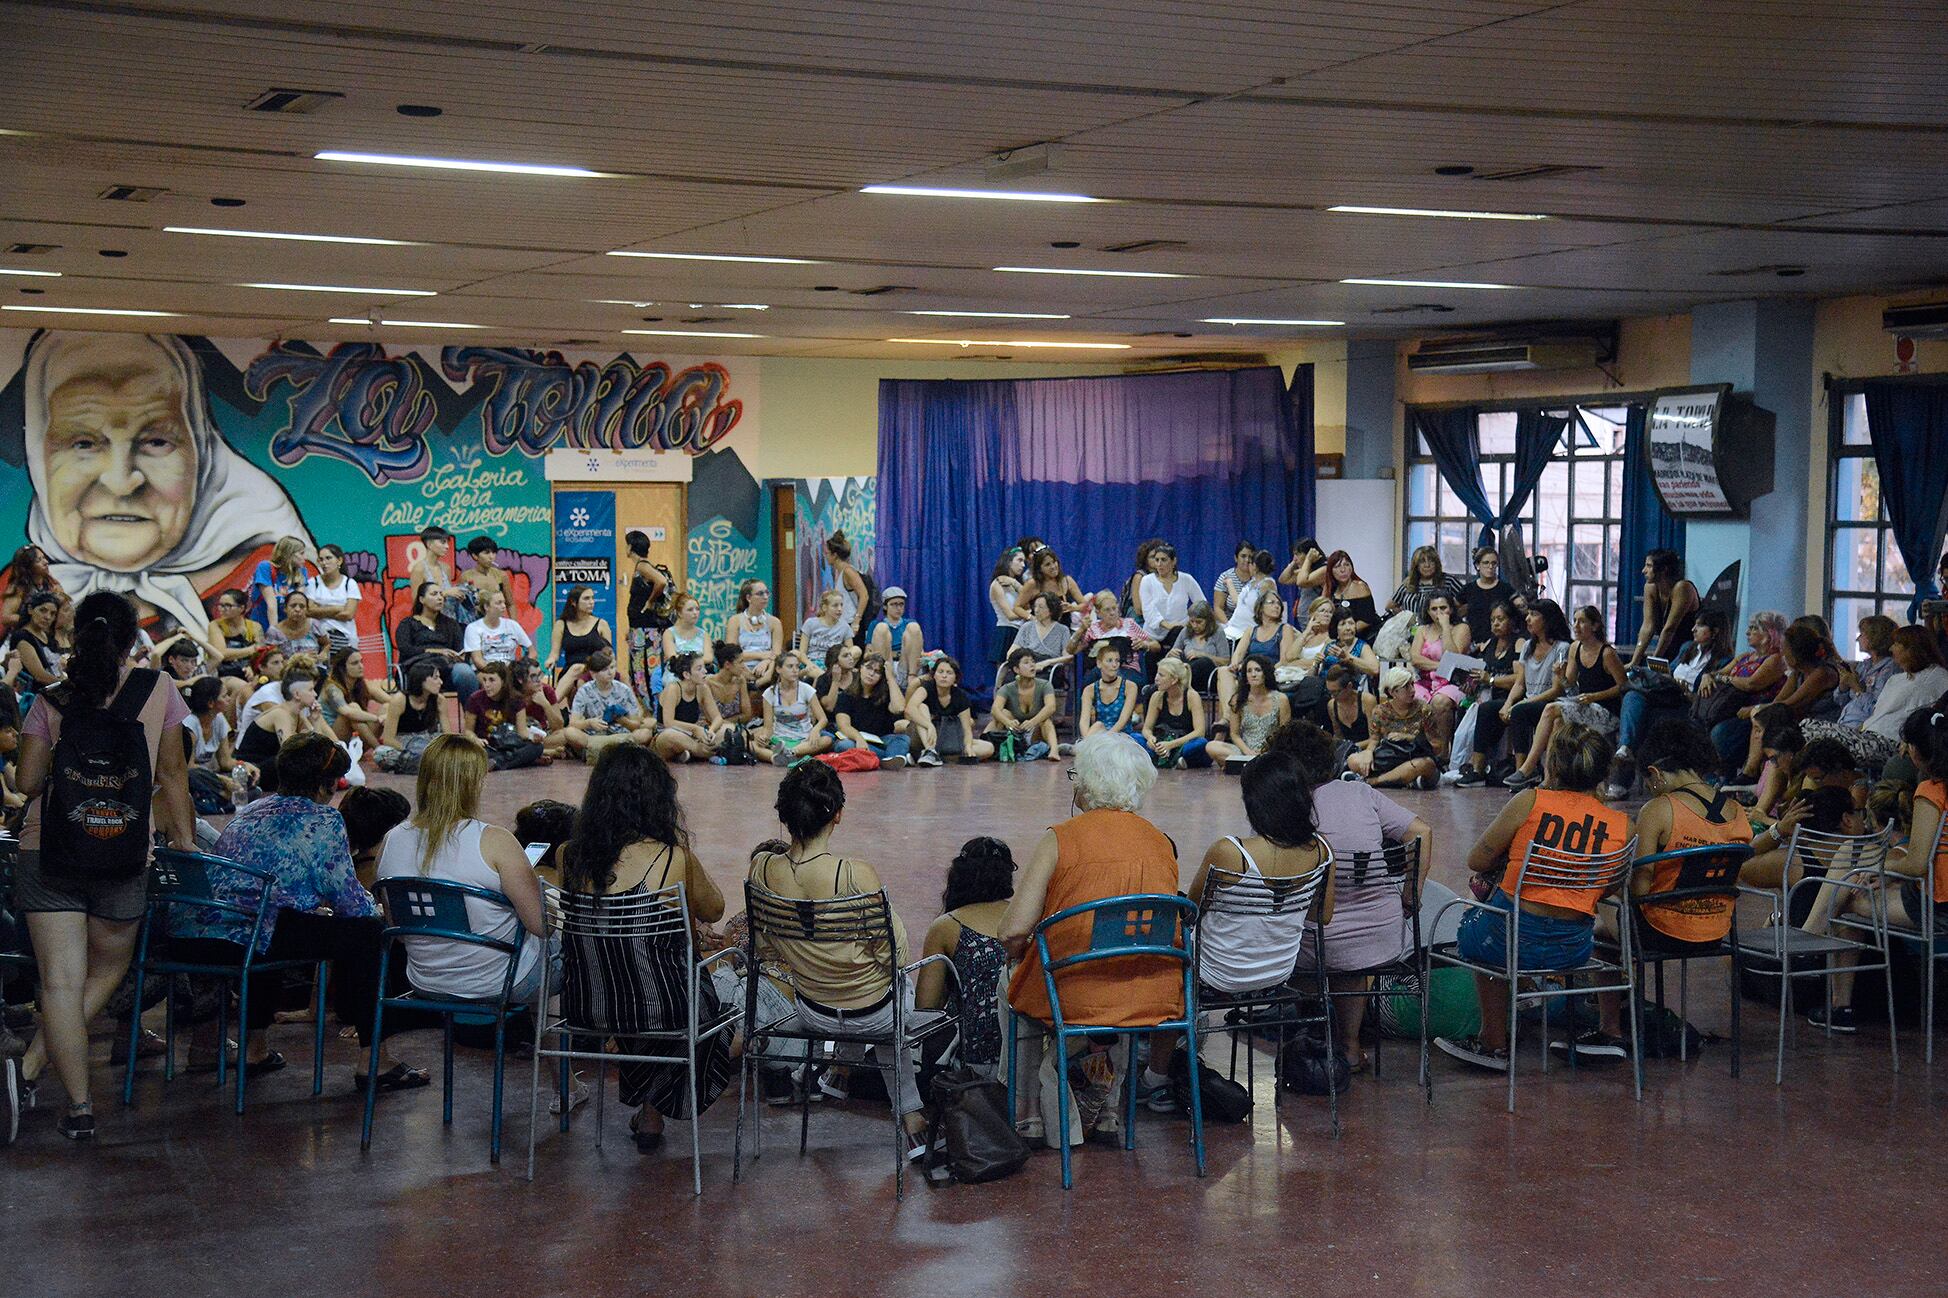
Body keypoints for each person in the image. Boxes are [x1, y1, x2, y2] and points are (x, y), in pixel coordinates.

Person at [11, 591, 196, 1140]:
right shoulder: (158, 688)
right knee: (105, 970)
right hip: (122, 849)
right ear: (132, 637)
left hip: (49, 849)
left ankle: (79, 1107)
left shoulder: (53, 696)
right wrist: (183, 840)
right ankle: (26, 1069)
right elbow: (174, 775)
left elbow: (24, 782)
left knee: (59, 983)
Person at [169, 733, 424, 1086]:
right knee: (367, 934)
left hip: (191, 932)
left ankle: (255, 1047)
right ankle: (374, 1060)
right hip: (248, 936)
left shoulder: (250, 811)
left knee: (278, 922)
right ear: (325, 785)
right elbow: (348, 900)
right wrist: (377, 908)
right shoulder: (324, 820)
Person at [19, 333, 314, 636]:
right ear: (38, 454)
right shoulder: (18, 594)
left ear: (201, 451)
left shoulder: (263, 569)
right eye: (83, 443)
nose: (121, 483)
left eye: (156, 442)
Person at [1001, 731, 1182, 1147]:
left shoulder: (1061, 838)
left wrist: (1018, 955)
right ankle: (1110, 1113)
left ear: (1087, 782)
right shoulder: (1160, 842)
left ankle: (1027, 1113)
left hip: (1076, 992)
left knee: (1012, 986)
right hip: (1150, 992)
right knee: (1113, 978)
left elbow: (1012, 929)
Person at [558, 745, 731, 1151]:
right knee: (680, 987)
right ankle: (654, 1109)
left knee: (631, 973)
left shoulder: (571, 856)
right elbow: (715, 908)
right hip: (665, 1007)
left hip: (589, 1005)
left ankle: (649, 1115)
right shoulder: (672, 857)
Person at [748, 762, 929, 1147]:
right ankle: (910, 1118)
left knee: (875, 1002)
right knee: (894, 998)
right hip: (873, 1014)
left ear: (784, 814)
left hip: (814, 1010)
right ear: (838, 815)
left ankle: (840, 1069)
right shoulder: (855, 875)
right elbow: (896, 955)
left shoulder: (762, 868)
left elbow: (764, 947)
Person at [1140, 747, 1332, 1107]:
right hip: (1277, 972)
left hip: (1219, 973)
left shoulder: (1230, 851)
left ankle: (1156, 1075)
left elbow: (1191, 910)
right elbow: (1322, 916)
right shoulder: (1321, 851)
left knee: (1167, 961)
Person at [1435, 723, 1630, 1072]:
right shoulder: (1621, 825)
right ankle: (1605, 1028)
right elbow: (1607, 886)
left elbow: (1477, 860)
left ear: (1551, 765)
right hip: (1572, 947)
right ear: (1603, 771)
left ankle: (1494, 1042)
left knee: (1484, 925)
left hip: (1507, 940)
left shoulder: (1529, 801)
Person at [1569, 719, 1753, 1058]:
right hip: (1716, 931)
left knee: (1598, 910)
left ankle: (1611, 1026)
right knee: (1608, 927)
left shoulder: (1659, 809)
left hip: (1661, 932)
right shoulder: (1736, 810)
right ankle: (1625, 1002)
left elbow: (1639, 891)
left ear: (1655, 773)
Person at [1275, 721, 1435, 1067]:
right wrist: (1411, 891)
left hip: (1315, 945)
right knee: (1351, 960)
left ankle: (1313, 1033)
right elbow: (1421, 831)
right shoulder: (1361, 793)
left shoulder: (1288, 804)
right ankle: (1349, 1045)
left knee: (1297, 938)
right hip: (1382, 937)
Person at [1797, 708, 1948, 1031]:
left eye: (1907, 745)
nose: (1903, 751)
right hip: (1931, 894)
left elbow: (1918, 863)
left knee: (1847, 900)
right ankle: (1810, 947)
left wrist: (1881, 872)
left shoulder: (1932, 791)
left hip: (1936, 908)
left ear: (1920, 751)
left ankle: (1809, 950)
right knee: (1856, 868)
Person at [375, 735, 550, 1005]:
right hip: (500, 981)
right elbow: (541, 924)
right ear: (473, 784)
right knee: (570, 948)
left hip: (426, 979)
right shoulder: (495, 841)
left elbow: (396, 927)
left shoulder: (391, 840)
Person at [915, 838, 1016, 1079]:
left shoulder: (947, 926)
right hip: (1023, 1062)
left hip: (971, 1065)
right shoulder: (1027, 921)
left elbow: (926, 1010)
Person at [1605, 608, 1733, 798]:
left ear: (1715, 632)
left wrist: (1686, 690)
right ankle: (1624, 748)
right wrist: (1666, 676)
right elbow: (1671, 670)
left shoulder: (1723, 661)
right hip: (1666, 694)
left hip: (1687, 706)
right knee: (1634, 696)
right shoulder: (1688, 648)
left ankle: (1621, 777)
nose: (1693, 629)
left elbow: (1708, 699)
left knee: (1645, 719)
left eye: (1700, 626)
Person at [1505, 604, 1627, 788]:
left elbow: (1623, 686)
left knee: (1550, 709)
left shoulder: (1607, 653)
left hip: (1607, 710)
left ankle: (1527, 768)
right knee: (1556, 722)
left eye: (1582, 622)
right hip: (1587, 704)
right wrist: (1561, 675)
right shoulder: (1575, 648)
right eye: (1575, 621)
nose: (1576, 626)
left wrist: (1595, 696)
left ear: (1594, 626)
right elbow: (1569, 684)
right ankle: (1550, 778)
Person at [1729, 623, 1840, 784]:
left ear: (1794, 654)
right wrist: (1759, 710)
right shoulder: (1797, 673)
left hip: (1823, 724)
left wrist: (1755, 708)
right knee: (1763, 717)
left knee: (1764, 717)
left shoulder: (1822, 673)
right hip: (1801, 720)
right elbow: (1778, 702)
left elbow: (1791, 704)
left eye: (1784, 649)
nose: (1781, 653)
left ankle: (1751, 772)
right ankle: (1750, 771)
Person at [1491, 599, 1572, 782]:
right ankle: (1477, 768)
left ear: (1548, 620)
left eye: (1534, 615)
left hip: (1550, 700)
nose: (1528, 619)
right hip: (1530, 698)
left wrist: (1525, 702)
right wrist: (1507, 703)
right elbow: (1520, 683)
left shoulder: (1562, 648)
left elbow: (1556, 690)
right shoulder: (1528, 646)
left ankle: (1524, 770)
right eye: (1527, 614)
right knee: (1488, 709)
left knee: (1520, 711)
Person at [1696, 609, 1787, 772]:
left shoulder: (1776, 659)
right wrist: (1707, 677)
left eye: (1753, 629)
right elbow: (1718, 673)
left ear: (1769, 633)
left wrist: (1725, 679)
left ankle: (1725, 773)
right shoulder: (1744, 657)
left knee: (1720, 733)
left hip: (1753, 712)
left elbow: (1752, 684)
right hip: (1729, 707)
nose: (1747, 632)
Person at [234, 660, 337, 791]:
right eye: (311, 690)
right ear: (297, 694)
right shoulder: (281, 713)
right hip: (252, 768)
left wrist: (315, 720)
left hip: (268, 762)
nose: (315, 694)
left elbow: (317, 747)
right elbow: (289, 752)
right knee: (297, 759)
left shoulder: (297, 714)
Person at [1458, 601, 1526, 787]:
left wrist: (1491, 680)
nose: (1495, 624)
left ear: (1512, 621)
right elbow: (1480, 670)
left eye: (1500, 619)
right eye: (1492, 620)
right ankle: (1471, 765)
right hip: (1489, 694)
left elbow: (1521, 678)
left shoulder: (1519, 644)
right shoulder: (1489, 643)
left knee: (1487, 709)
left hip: (1512, 695)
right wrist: (1471, 683)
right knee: (1465, 705)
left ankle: (1479, 768)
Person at [1346, 667, 1441, 789]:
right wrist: (1368, 752)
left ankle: (1374, 781)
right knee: (1352, 760)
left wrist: (1410, 738)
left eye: (1412, 684)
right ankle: (1402, 780)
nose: (1412, 690)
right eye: (1406, 687)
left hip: (1415, 758)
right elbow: (1374, 739)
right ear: (1392, 692)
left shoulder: (1424, 709)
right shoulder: (1380, 711)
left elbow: (1437, 746)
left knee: (1426, 764)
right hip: (1390, 759)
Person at [394, 581, 478, 700]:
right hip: (418, 668)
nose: (440, 597)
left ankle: (471, 715)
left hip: (446, 669)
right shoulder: (408, 624)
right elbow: (405, 649)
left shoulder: (451, 624)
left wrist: (460, 656)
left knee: (465, 672)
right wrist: (437, 651)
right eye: (434, 594)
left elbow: (459, 649)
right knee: (427, 675)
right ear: (421, 599)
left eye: (440, 594)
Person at [1409, 593, 1469, 754]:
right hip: (1425, 681)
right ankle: (1419, 749)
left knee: (1440, 702)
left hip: (1453, 682)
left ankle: (1443, 752)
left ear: (1451, 609)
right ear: (1428, 612)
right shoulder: (1422, 630)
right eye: (1434, 609)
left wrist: (1445, 627)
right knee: (1410, 697)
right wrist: (1441, 665)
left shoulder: (1461, 628)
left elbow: (1454, 657)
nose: (1439, 613)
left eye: (1443, 608)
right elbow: (1415, 658)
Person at [1217, 586, 1292, 715]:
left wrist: (1260, 670)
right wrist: (1235, 665)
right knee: (1224, 671)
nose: (1277, 606)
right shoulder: (1251, 630)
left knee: (1232, 688)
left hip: (1270, 673)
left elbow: (1284, 660)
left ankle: (1226, 722)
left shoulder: (1285, 629)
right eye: (1272, 602)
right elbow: (1238, 655)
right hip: (1247, 672)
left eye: (1279, 604)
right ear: (1261, 607)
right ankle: (1228, 718)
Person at [906, 654, 992, 766]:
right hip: (923, 734)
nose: (944, 676)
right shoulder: (926, 688)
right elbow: (910, 709)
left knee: (988, 748)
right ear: (934, 675)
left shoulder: (960, 696)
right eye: (940, 672)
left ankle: (938, 756)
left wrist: (968, 747)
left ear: (955, 678)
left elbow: (967, 729)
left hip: (946, 737)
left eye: (949, 673)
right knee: (922, 707)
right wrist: (928, 725)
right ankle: (929, 751)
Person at [833, 651, 912, 768]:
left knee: (903, 739)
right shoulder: (846, 695)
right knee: (844, 745)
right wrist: (859, 739)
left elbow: (899, 708)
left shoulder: (885, 694)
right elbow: (843, 726)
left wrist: (890, 678)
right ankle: (891, 759)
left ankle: (883, 759)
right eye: (869, 668)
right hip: (856, 738)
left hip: (881, 740)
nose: (871, 674)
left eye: (877, 672)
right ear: (860, 668)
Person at [464, 661, 546, 770]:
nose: (486, 685)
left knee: (537, 747)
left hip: (508, 745)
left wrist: (532, 737)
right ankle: (510, 761)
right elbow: (468, 731)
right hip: (486, 746)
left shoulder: (516, 700)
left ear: (503, 681)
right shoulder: (475, 699)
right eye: (484, 680)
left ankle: (497, 763)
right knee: (474, 754)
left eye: (491, 680)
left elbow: (522, 732)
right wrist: (475, 740)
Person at [1207, 657, 1290, 765]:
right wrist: (1248, 752)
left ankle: (1244, 765)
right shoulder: (1237, 699)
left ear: (1266, 673)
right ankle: (1250, 763)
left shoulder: (1281, 699)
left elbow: (1284, 733)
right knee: (1211, 746)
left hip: (1271, 751)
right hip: (1244, 751)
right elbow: (1234, 734)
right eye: (1249, 671)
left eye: (1258, 670)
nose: (1253, 674)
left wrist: (1266, 751)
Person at [1625, 549, 1700, 668]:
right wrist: (1634, 661)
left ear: (1664, 569)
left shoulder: (1682, 588)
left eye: (1649, 566)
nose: (1644, 571)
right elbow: (1647, 627)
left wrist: (1654, 661)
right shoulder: (1650, 588)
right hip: (1668, 648)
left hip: (1689, 650)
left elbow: (1670, 629)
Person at [570, 650, 655, 752]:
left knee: (645, 733)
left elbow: (636, 724)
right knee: (570, 732)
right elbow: (573, 723)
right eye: (604, 669)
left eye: (612, 667)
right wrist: (589, 723)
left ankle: (601, 748)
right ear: (593, 674)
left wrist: (623, 721)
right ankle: (610, 747)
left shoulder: (624, 690)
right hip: (594, 736)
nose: (610, 672)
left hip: (622, 734)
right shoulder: (584, 691)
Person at [622, 530, 671, 703]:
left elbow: (661, 581)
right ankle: (647, 707)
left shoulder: (643, 566)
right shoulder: (640, 567)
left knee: (646, 670)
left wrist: (650, 602)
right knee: (638, 671)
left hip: (647, 631)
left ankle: (654, 708)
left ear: (630, 547)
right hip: (638, 629)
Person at [656, 651, 730, 764]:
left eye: (704, 667)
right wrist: (695, 729)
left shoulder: (703, 688)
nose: (705, 671)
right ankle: (704, 752)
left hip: (693, 737)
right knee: (669, 735)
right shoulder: (673, 689)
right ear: (687, 674)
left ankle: (693, 753)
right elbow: (668, 723)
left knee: (729, 728)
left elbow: (717, 718)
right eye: (699, 669)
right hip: (669, 735)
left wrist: (710, 732)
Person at [759, 651, 831, 766]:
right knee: (753, 744)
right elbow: (767, 727)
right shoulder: (769, 693)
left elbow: (823, 719)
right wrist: (764, 737)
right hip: (780, 739)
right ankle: (776, 758)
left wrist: (815, 730)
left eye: (797, 666)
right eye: (790, 666)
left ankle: (790, 753)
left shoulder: (806, 689)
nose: (795, 670)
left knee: (827, 740)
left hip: (803, 740)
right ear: (778, 669)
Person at [987, 647, 1060, 762]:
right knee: (1004, 713)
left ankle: (1054, 750)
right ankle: (985, 744)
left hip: (1035, 732)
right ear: (1016, 669)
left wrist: (1032, 722)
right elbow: (995, 709)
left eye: (1033, 662)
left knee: (1046, 720)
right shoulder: (1008, 688)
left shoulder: (1044, 685)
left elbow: (1051, 707)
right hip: (1015, 731)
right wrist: (1008, 722)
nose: (1032, 665)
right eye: (1026, 662)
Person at [374, 659, 448, 772]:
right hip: (404, 744)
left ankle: (417, 765)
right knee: (380, 754)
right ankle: (429, 765)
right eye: (435, 678)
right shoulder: (399, 700)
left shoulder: (439, 700)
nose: (440, 682)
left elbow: (448, 734)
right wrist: (411, 751)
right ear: (421, 680)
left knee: (449, 748)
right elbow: (388, 739)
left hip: (429, 740)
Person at [1140, 657, 1211, 769]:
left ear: (1174, 680)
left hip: (1183, 743)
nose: (1156, 679)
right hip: (1161, 741)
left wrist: (1171, 745)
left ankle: (1174, 759)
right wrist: (1151, 739)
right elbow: (1146, 728)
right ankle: (1173, 761)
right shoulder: (1157, 696)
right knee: (1135, 737)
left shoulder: (1192, 696)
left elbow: (1200, 732)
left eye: (1161, 675)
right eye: (1157, 674)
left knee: (1201, 743)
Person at [1137, 542, 1206, 651]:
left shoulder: (1186, 579)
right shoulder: (1147, 581)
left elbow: (1202, 604)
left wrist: (1189, 623)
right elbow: (1148, 610)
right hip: (1153, 636)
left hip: (1180, 631)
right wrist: (1168, 625)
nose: (1159, 564)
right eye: (1157, 560)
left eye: (1164, 560)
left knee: (1178, 637)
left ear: (1173, 561)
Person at [548, 585, 613, 699]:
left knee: (577, 669)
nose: (591, 602)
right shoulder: (561, 624)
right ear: (573, 602)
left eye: (592, 598)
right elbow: (554, 653)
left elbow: (610, 654)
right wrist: (551, 660)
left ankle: (551, 704)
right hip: (570, 671)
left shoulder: (602, 624)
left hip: (596, 670)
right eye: (586, 599)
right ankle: (552, 705)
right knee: (575, 669)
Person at [323, 646, 389, 750]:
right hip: (332, 739)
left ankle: (392, 745)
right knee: (353, 708)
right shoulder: (332, 688)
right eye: (355, 663)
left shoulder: (363, 685)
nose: (361, 666)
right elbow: (347, 712)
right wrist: (377, 718)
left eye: (361, 662)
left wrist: (386, 715)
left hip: (357, 738)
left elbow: (392, 701)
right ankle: (379, 750)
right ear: (342, 667)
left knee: (387, 707)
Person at [1007, 592, 1073, 692]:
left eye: (1041, 607)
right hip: (1026, 665)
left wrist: (1047, 663)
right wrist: (1021, 665)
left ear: (1051, 610)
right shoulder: (1027, 627)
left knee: (1038, 686)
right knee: (1009, 683)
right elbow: (1012, 651)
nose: (1036, 610)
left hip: (1048, 668)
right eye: (1035, 606)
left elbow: (1068, 657)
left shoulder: (1062, 630)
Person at [302, 543, 361, 652]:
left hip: (346, 640)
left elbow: (348, 614)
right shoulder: (313, 583)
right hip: (318, 639)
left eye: (328, 558)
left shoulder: (350, 584)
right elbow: (309, 611)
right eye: (321, 559)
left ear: (339, 561)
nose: (324, 563)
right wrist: (337, 608)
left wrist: (320, 610)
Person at [1387, 545, 1468, 622]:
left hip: (1441, 631)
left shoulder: (1448, 581)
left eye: (1431, 561)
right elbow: (1390, 606)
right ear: (1416, 565)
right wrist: (1405, 619)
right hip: (1412, 632)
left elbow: (1468, 603)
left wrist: (1451, 618)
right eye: (1422, 562)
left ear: (1436, 564)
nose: (1427, 565)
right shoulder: (1409, 582)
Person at [1078, 642, 1140, 742]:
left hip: (1121, 735)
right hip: (1099, 734)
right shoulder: (1090, 689)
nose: (1115, 665)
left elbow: (1123, 720)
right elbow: (1084, 720)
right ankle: (1085, 747)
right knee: (1098, 725)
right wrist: (1086, 741)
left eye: (1117, 661)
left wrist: (1107, 739)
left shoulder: (1130, 686)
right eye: (1109, 661)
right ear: (1099, 663)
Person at [867, 586, 925, 690]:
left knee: (914, 627)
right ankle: (885, 679)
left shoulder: (909, 624)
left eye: (901, 604)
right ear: (885, 606)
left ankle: (912, 677)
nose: (898, 608)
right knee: (881, 628)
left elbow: (919, 652)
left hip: (906, 666)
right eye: (894, 604)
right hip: (886, 664)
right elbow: (868, 654)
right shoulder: (875, 624)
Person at [247, 535, 311, 629]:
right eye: (301, 553)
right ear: (289, 554)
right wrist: (275, 631)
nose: (304, 557)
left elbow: (297, 603)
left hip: (286, 627)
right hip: (261, 625)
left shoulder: (301, 571)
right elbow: (271, 604)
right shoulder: (265, 568)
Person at [1, 544, 63, 637]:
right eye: (39, 560)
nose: (46, 562)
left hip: (46, 638)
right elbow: (5, 618)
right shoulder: (19, 588)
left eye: (44, 558)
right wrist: (32, 618)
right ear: (28, 567)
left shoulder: (51, 583)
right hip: (22, 640)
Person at [1460, 548, 1517, 652]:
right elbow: (1453, 611)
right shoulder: (1468, 589)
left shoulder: (1506, 589)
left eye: (1494, 563)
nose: (1490, 566)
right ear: (1478, 565)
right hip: (1473, 644)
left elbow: (1516, 615)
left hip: (1499, 644)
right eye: (1486, 563)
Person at [1168, 601, 1229, 695]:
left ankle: (1175, 682)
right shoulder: (1185, 631)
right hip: (1186, 672)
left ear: (1208, 620)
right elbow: (1174, 654)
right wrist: (1170, 654)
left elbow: (1225, 661)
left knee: (1203, 662)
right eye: (1192, 621)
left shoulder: (1218, 632)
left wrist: (1202, 654)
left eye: (1199, 622)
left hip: (1208, 677)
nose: (1194, 625)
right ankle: (1162, 687)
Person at [1219, 548, 1277, 647]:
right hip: (1233, 627)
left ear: (1254, 566)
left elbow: (1269, 610)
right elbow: (1238, 602)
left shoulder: (1267, 584)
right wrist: (1229, 584)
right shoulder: (1252, 582)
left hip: (1247, 632)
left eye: (1250, 563)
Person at [463, 588, 533, 670]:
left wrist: (523, 668)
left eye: (504, 602)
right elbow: (477, 660)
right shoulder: (473, 628)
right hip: (486, 671)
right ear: (486, 606)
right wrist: (497, 674)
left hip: (511, 670)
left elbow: (532, 652)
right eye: (499, 603)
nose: (503, 606)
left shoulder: (512, 625)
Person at [1012, 548, 1087, 622]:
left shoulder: (1067, 581)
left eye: (1054, 562)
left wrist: (1073, 608)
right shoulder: (1033, 584)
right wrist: (1032, 618)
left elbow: (1085, 605)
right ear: (1039, 568)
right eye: (1047, 564)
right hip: (1039, 630)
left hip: (1063, 630)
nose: (1053, 567)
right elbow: (1017, 607)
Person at [1320, 550, 1380, 640]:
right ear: (1330, 570)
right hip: (1336, 638)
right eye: (1337, 566)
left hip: (1359, 637)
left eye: (1346, 565)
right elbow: (1320, 610)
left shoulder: (1360, 586)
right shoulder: (1331, 588)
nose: (1343, 570)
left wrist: (1344, 633)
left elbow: (1367, 620)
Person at [205, 587, 262, 681]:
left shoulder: (255, 626)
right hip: (224, 673)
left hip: (249, 671)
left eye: (228, 605)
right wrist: (251, 649)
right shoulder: (215, 625)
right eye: (220, 605)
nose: (222, 609)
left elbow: (261, 652)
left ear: (241, 608)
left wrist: (251, 666)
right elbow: (221, 653)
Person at [822, 531, 872, 638]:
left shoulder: (848, 572)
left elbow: (864, 595)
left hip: (852, 624)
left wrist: (856, 621)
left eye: (827, 553)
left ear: (834, 555)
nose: (825, 556)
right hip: (842, 623)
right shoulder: (838, 572)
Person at [10, 591, 64, 690]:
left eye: (52, 613)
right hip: (34, 696)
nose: (48, 617)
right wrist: (66, 686)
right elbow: (40, 676)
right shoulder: (23, 637)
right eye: (43, 610)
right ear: (30, 610)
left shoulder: (48, 636)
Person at [458, 536, 514, 627]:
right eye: (486, 553)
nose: (491, 557)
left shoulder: (501, 575)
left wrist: (514, 627)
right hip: (475, 624)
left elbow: (510, 604)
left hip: (497, 624)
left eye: (494, 552)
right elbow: (463, 607)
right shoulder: (466, 577)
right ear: (475, 556)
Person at [408, 527, 467, 615]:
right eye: (442, 542)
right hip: (429, 620)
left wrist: (457, 596)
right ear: (429, 544)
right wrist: (445, 593)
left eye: (447, 543)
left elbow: (448, 598)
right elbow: (417, 601)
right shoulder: (419, 569)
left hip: (449, 618)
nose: (447, 546)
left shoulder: (446, 568)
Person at [988, 548, 1027, 668]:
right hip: (1006, 630)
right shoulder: (997, 584)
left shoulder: (1017, 583)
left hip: (1021, 631)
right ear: (1008, 561)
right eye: (1019, 560)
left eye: (1024, 561)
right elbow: (1009, 615)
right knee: (1004, 672)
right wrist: (1029, 614)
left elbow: (1029, 599)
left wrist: (1015, 583)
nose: (1023, 565)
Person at [797, 589, 853, 671]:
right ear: (824, 608)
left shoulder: (845, 626)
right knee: (795, 653)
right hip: (812, 662)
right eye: (835, 605)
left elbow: (850, 651)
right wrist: (809, 664)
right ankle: (823, 677)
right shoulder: (810, 623)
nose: (839, 609)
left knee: (856, 650)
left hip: (833, 664)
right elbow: (802, 652)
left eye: (841, 605)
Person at [1320, 609, 1381, 684]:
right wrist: (1315, 665)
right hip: (1323, 686)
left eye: (1351, 623)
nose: (1348, 628)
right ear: (1336, 628)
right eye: (1343, 624)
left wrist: (1347, 657)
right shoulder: (1330, 644)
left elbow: (1375, 669)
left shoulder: (1362, 646)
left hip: (1347, 689)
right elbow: (1319, 669)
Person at [265, 589, 326, 657]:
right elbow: (271, 659)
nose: (297, 609)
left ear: (307, 609)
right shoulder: (274, 632)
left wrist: (323, 655)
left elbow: (327, 644)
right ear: (285, 608)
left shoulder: (315, 625)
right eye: (293, 606)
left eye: (302, 606)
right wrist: (301, 657)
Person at [706, 640, 753, 727]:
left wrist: (724, 724)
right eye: (740, 662)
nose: (744, 666)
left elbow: (747, 715)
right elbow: (709, 718)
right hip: (709, 730)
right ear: (727, 664)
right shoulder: (707, 683)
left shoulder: (740, 681)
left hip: (733, 728)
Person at [660, 593, 711, 673]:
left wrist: (693, 665)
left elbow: (709, 657)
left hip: (700, 673)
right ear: (680, 613)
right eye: (690, 610)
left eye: (697, 609)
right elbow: (671, 657)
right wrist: (692, 663)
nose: (695, 613)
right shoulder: (669, 633)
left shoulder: (704, 634)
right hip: (676, 673)